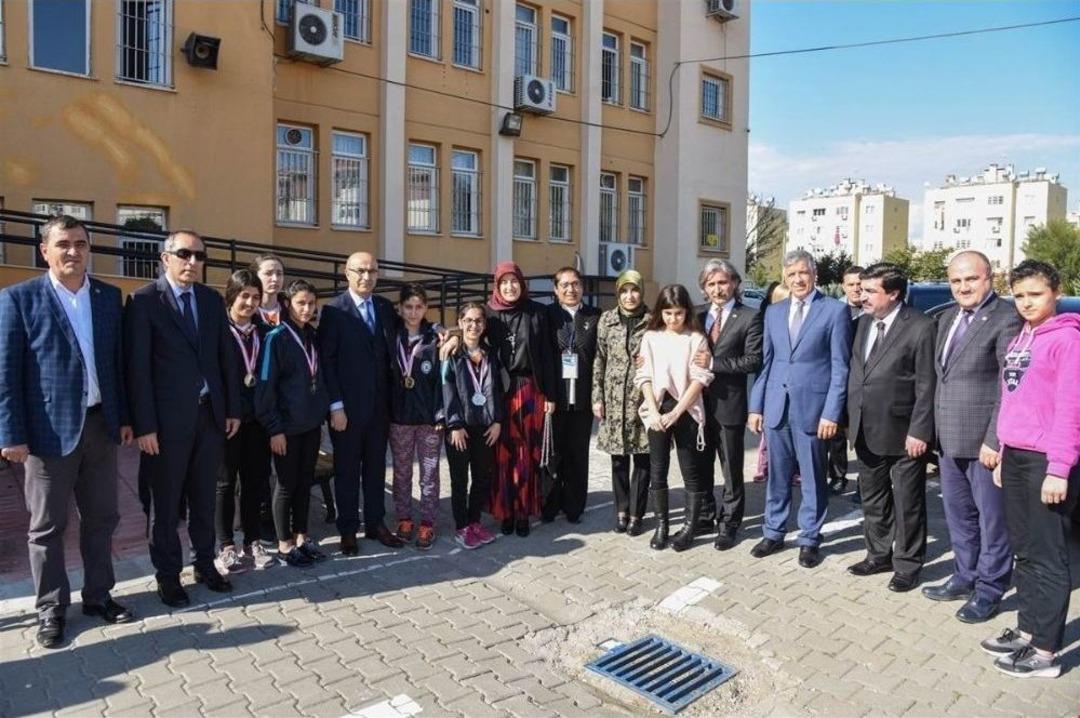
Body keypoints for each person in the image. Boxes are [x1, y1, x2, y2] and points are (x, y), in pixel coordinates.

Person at [0, 215, 134, 648]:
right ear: (45, 250)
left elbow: (117, 365)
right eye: (63, 244)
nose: (73, 251)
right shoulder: (18, 299)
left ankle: (98, 596)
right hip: (46, 435)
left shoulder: (109, 297)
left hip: (101, 427)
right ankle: (51, 609)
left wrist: (125, 417)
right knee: (47, 528)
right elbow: (6, 375)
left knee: (102, 519)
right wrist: (11, 434)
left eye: (80, 243)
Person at [125, 230, 240, 606]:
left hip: (209, 418)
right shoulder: (143, 302)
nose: (192, 262)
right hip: (165, 426)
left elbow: (226, 359)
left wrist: (232, 408)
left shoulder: (209, 300)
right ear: (165, 258)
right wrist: (145, 426)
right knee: (166, 504)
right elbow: (137, 370)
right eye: (184, 254)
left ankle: (205, 565)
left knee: (204, 499)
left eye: (199, 256)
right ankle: (168, 576)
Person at [982, 260, 1079, 679]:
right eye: (1019, 296)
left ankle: (1045, 651)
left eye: (1034, 294)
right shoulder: (1023, 337)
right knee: (1024, 549)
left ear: (1055, 291)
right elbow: (1012, 400)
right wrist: (1003, 450)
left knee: (1049, 555)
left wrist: (1059, 467)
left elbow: (1071, 408)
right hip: (1017, 457)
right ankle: (1028, 629)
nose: (1025, 303)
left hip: (1047, 461)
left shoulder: (1068, 340)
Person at [922, 251, 1021, 623]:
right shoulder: (947, 318)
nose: (963, 287)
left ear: (989, 278)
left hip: (984, 444)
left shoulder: (1006, 318)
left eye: (971, 279)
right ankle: (965, 576)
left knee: (992, 521)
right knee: (959, 516)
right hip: (949, 441)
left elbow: (1007, 388)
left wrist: (995, 440)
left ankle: (990, 589)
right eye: (956, 281)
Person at [748, 250, 852, 568]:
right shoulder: (773, 313)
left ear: (814, 273)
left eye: (803, 273)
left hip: (813, 410)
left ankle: (809, 538)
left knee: (811, 477)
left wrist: (832, 412)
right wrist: (756, 407)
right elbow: (766, 364)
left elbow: (840, 368)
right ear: (785, 277)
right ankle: (774, 531)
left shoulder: (834, 312)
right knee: (777, 476)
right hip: (777, 407)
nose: (798, 279)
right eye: (791, 274)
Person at [845, 263, 936, 592]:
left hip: (904, 433)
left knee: (908, 502)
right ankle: (878, 554)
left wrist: (920, 431)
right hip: (865, 427)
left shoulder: (921, 327)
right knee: (874, 498)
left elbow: (927, 384)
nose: (862, 295)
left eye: (870, 291)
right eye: (861, 289)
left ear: (894, 293)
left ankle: (908, 564)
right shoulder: (863, 323)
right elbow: (859, 373)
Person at [318, 252, 405, 555]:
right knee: (346, 469)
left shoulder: (382, 307)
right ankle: (347, 529)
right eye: (360, 271)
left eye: (372, 271)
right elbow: (326, 363)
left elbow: (407, 330)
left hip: (380, 407)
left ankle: (376, 523)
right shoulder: (333, 311)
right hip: (347, 410)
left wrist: (441, 332)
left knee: (376, 466)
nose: (366, 277)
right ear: (346, 273)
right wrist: (336, 406)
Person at [256, 280, 331, 567]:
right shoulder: (276, 338)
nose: (307, 308)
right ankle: (284, 544)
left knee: (304, 482)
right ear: (288, 304)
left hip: (311, 425)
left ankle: (302, 537)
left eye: (311, 303)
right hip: (285, 428)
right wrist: (274, 428)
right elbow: (265, 389)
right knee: (286, 485)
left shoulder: (312, 335)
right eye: (301, 303)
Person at [636, 284, 714, 551]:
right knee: (658, 469)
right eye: (668, 313)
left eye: (678, 313)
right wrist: (655, 411)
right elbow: (643, 376)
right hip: (657, 411)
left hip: (686, 410)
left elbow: (700, 379)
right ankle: (662, 526)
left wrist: (677, 411)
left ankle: (690, 528)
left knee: (690, 470)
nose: (673, 319)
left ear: (686, 312)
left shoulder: (696, 338)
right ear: (660, 312)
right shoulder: (650, 337)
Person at [484, 261, 557, 537]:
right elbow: (471, 336)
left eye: (514, 281)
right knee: (503, 454)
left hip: (529, 389)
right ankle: (505, 511)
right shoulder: (489, 312)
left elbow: (548, 356)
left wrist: (550, 394)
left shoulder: (536, 312)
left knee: (526, 454)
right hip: (499, 390)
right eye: (504, 282)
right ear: (497, 285)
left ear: (522, 284)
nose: (509, 287)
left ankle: (524, 511)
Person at [694, 259, 761, 551]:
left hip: (729, 405)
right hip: (697, 405)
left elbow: (752, 360)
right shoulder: (695, 316)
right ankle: (706, 515)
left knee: (731, 468)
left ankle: (730, 523)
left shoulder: (750, 317)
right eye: (711, 284)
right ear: (704, 288)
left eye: (723, 282)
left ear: (734, 284)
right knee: (701, 463)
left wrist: (713, 362)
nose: (718, 289)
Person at [215, 270, 275, 573]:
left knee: (255, 481)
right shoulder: (217, 330)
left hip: (258, 420)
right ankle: (226, 545)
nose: (250, 302)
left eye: (255, 297)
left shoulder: (264, 332)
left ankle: (253, 542)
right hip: (228, 419)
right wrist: (228, 410)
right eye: (244, 296)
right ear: (231, 296)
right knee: (225, 483)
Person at [592, 270, 652, 536]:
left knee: (642, 459)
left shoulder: (653, 321)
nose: (630, 296)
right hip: (614, 400)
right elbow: (599, 360)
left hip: (642, 399)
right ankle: (621, 510)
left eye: (634, 290)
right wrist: (597, 397)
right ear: (618, 293)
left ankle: (638, 514)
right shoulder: (607, 320)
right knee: (618, 459)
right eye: (624, 291)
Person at [442, 303, 503, 550]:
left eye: (478, 321)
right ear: (460, 322)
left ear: (484, 325)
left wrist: (498, 420)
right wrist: (454, 424)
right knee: (459, 479)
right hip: (460, 427)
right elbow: (446, 390)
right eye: (468, 320)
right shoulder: (452, 354)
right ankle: (461, 526)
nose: (473, 325)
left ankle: (475, 521)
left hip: (485, 427)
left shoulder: (491, 353)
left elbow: (498, 390)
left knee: (481, 477)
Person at [389, 284, 443, 550]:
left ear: (426, 309)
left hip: (429, 419)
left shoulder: (435, 339)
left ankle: (427, 524)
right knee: (401, 473)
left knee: (430, 473)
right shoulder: (390, 336)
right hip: (399, 417)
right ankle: (404, 519)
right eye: (408, 307)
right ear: (400, 308)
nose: (413, 312)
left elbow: (443, 382)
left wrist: (441, 414)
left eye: (418, 307)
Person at [544, 267, 600, 524]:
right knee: (553, 454)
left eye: (575, 284)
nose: (570, 289)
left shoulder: (595, 316)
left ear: (582, 287)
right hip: (554, 399)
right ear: (555, 290)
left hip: (584, 399)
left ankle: (574, 505)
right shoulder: (546, 316)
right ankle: (550, 502)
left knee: (578, 454)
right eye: (564, 285)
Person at [830, 265, 864, 495]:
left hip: (863, 384)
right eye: (850, 284)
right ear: (843, 286)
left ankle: (865, 483)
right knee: (836, 434)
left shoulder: (873, 312)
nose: (855, 289)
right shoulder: (834, 310)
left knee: (862, 434)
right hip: (839, 380)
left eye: (860, 285)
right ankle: (838, 476)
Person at [751, 281, 789, 483]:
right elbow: (763, 366)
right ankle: (763, 466)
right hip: (773, 391)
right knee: (768, 435)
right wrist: (756, 406)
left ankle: (793, 469)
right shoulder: (769, 323)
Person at [252, 254, 285, 327]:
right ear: (255, 276)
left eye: (279, 274)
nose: (275, 279)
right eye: (268, 273)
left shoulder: (291, 313)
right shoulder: (248, 313)